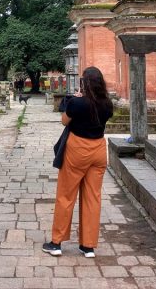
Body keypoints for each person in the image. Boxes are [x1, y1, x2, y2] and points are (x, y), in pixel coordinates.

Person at [43, 66, 114, 258]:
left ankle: (56, 243)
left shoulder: (77, 103)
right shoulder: (107, 104)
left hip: (77, 150)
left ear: (85, 83)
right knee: (93, 198)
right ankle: (88, 246)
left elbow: (64, 121)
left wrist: (74, 100)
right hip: (99, 149)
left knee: (66, 196)